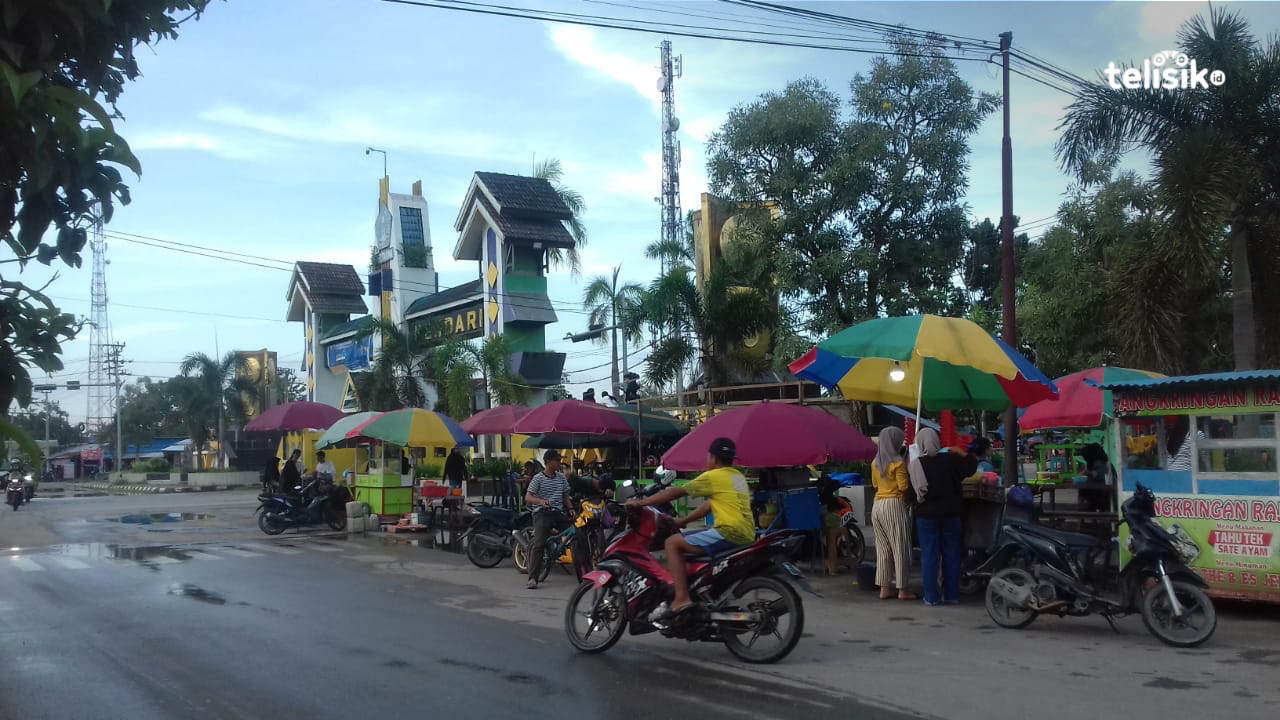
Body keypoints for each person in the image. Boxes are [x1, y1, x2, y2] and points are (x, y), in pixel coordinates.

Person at [625, 437, 754, 617]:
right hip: (747, 534)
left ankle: (681, 599)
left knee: (672, 543)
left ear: (713, 458)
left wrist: (640, 503)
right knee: (688, 537)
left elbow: (675, 492)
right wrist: (683, 520)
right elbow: (709, 505)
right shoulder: (737, 477)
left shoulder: (714, 476)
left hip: (729, 532)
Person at [909, 427, 977, 606]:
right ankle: (951, 595)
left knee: (929, 556)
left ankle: (931, 597)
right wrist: (960, 452)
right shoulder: (951, 459)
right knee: (952, 554)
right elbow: (971, 467)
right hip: (951, 514)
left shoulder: (916, 465)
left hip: (926, 517)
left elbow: (910, 493)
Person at [871, 426, 916, 600]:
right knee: (900, 547)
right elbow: (903, 487)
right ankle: (903, 589)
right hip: (894, 505)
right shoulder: (898, 463)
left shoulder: (875, 463)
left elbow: (875, 484)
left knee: (883, 549)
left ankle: (884, 588)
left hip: (877, 505)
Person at [525, 450, 572, 589]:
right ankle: (533, 578)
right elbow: (528, 497)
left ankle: (584, 571)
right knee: (539, 544)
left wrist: (571, 509)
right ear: (548, 462)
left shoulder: (561, 478)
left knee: (577, 533)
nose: (559, 463)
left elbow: (565, 496)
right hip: (542, 513)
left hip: (558, 512)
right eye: (557, 460)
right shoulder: (538, 478)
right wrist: (541, 501)